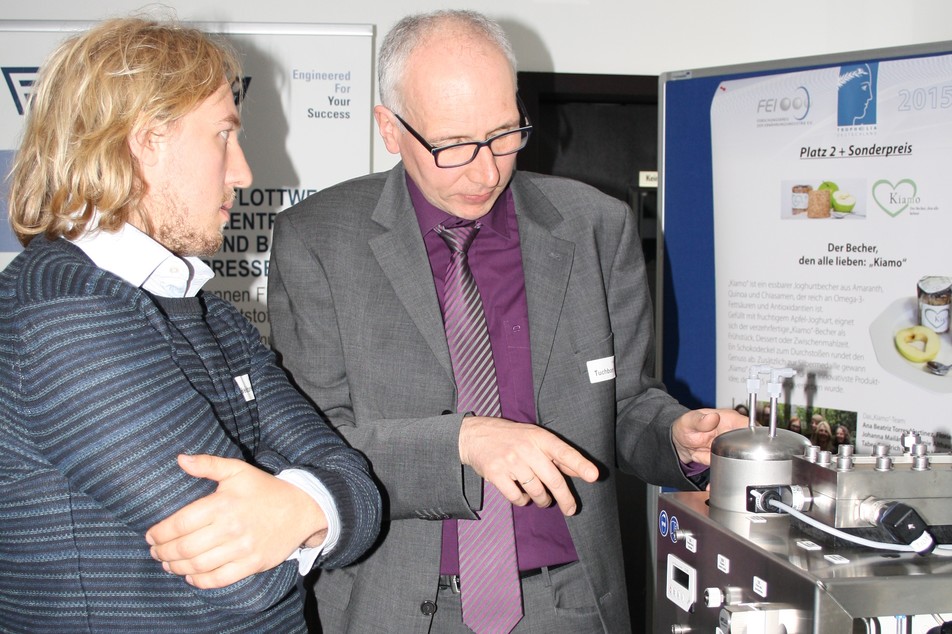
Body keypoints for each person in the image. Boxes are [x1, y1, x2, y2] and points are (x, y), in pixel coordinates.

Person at [268, 10, 745, 633]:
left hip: (568, 603)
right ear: (390, 128)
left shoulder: (595, 227)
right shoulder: (319, 241)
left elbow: (625, 403)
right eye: (454, 145)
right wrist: (463, 442)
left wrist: (678, 438)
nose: (487, 169)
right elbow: (312, 442)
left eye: (504, 134)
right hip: (394, 606)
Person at [0, 17, 380, 632]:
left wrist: (299, 505)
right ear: (144, 139)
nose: (243, 173)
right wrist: (308, 499)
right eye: (223, 136)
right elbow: (245, 580)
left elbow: (360, 492)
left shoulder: (209, 311)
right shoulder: (63, 310)